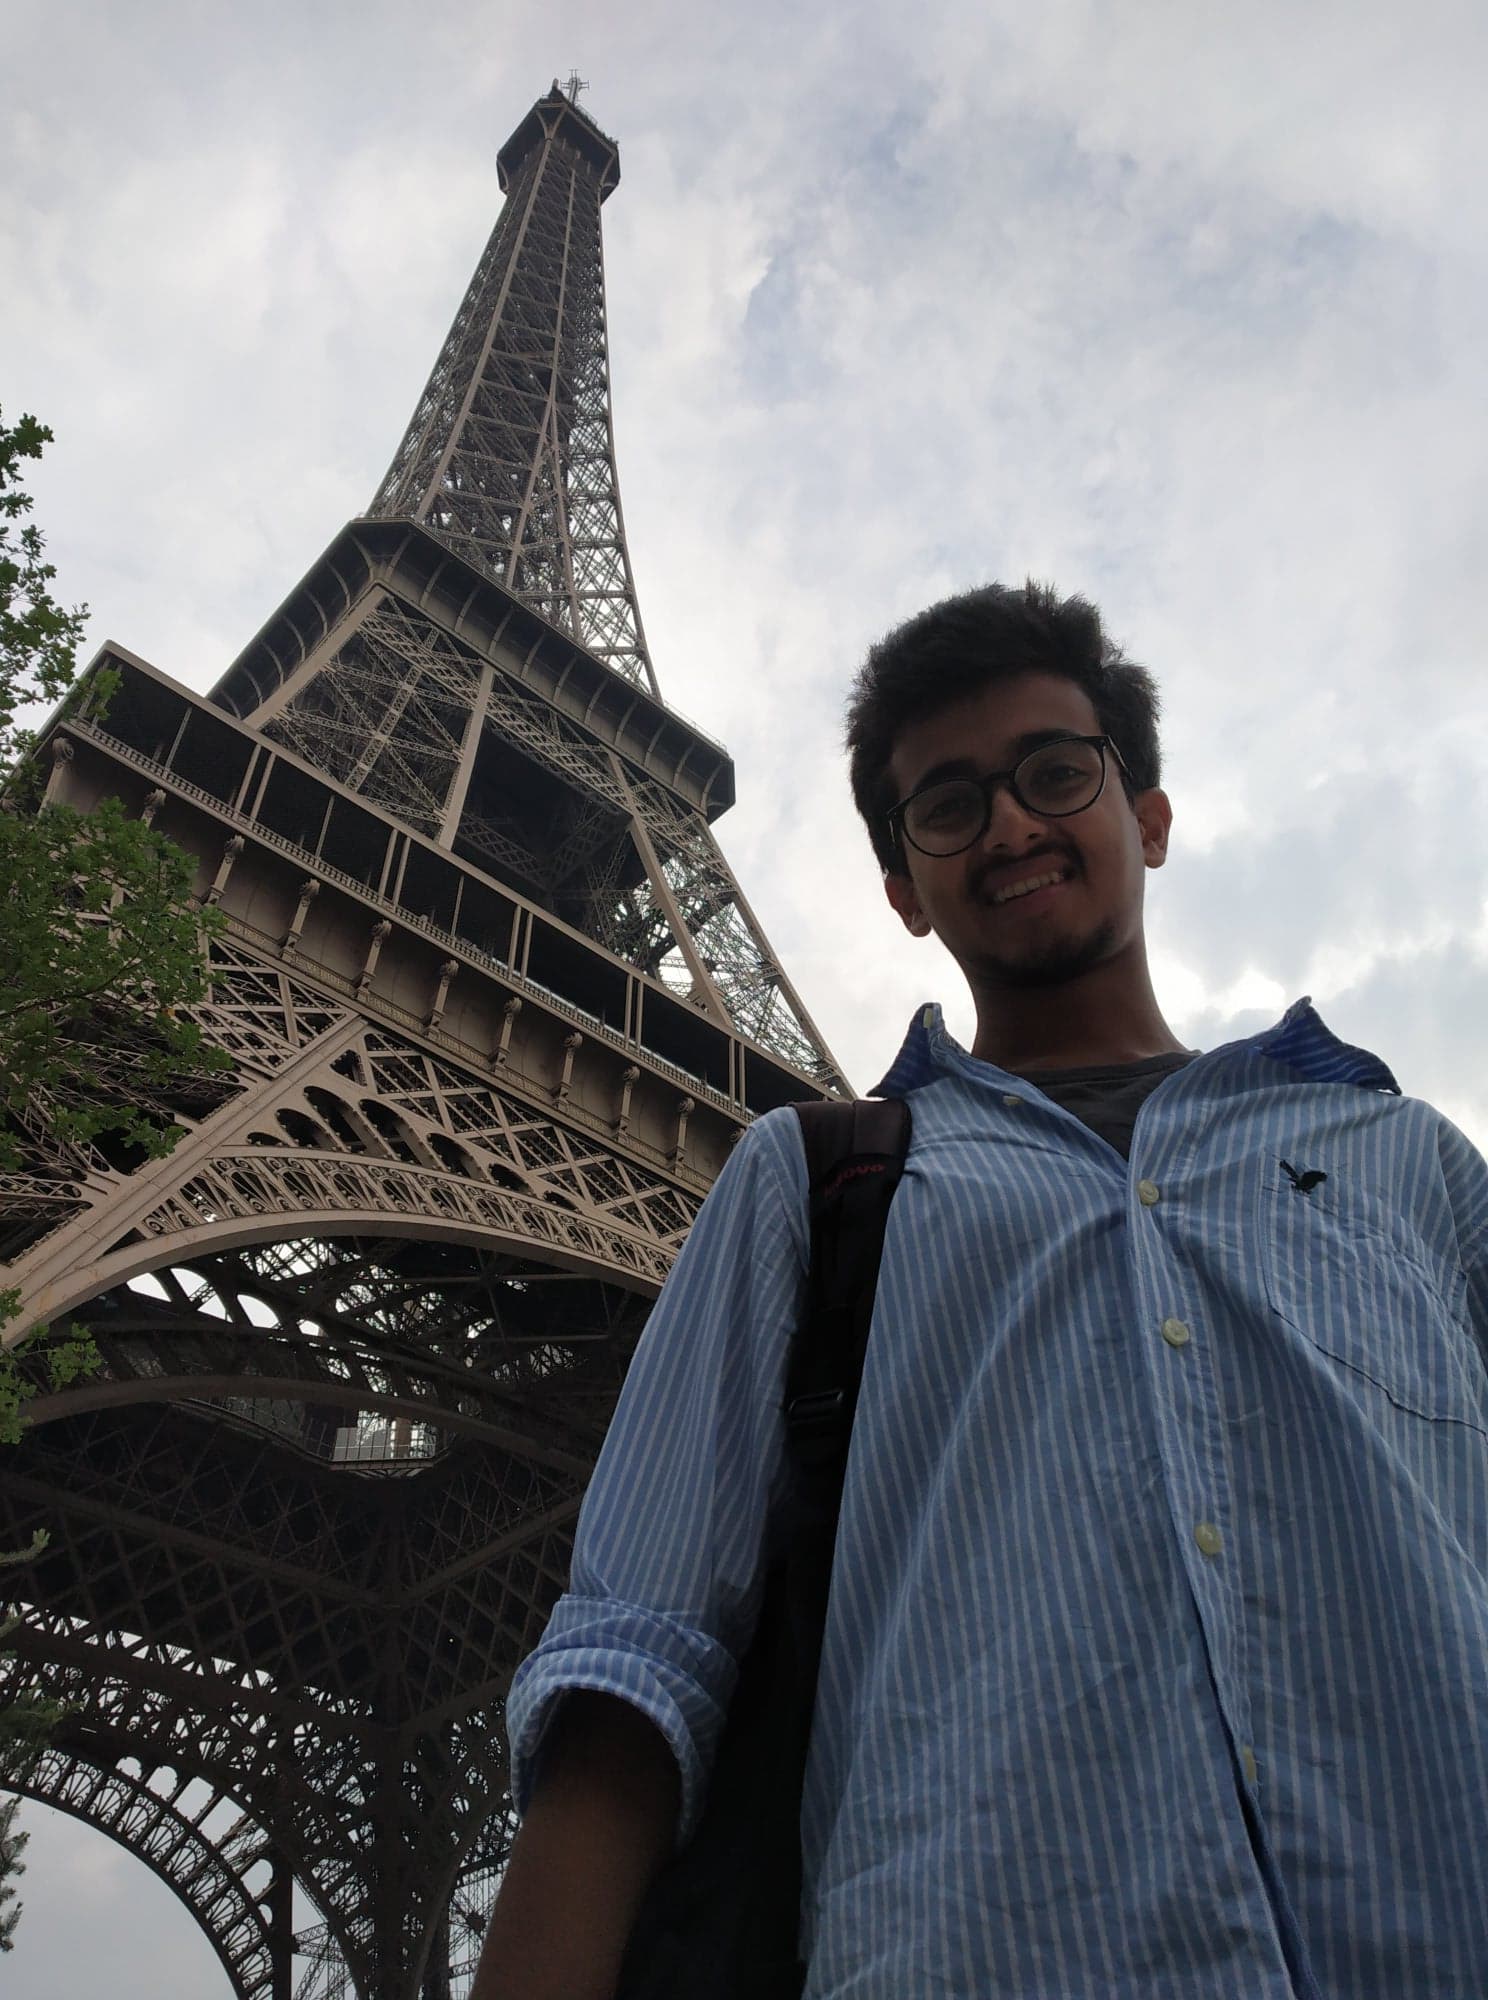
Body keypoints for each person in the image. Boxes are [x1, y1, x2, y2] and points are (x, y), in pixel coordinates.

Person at [471, 582, 1488, 1999]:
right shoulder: (812, 1182)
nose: (1009, 826)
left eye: (1055, 773)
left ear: (1150, 817)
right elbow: (637, 1658)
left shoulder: (1415, 1166)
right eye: (948, 806)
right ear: (904, 891)